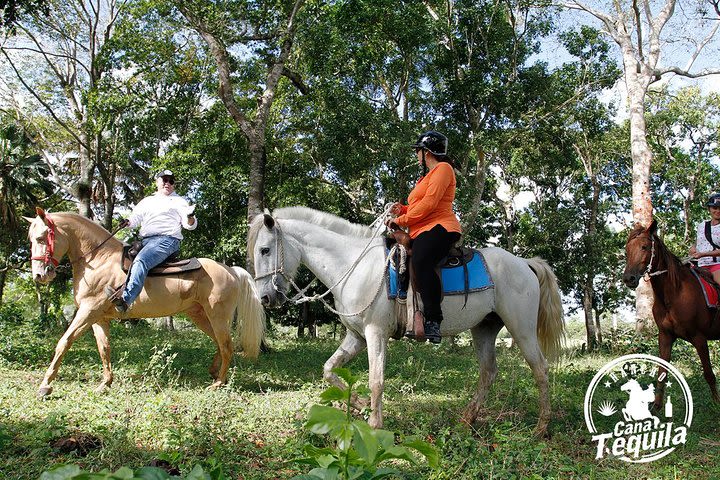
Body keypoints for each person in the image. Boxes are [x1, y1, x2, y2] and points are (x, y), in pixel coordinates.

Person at [386, 131, 462, 343]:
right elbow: (418, 205)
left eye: (418, 150)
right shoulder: (426, 177)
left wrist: (401, 221)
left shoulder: (443, 169)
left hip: (440, 227)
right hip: (422, 229)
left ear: (426, 152)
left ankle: (433, 321)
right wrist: (401, 209)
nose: (416, 155)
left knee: (421, 259)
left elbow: (429, 205)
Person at [107, 169, 197, 312]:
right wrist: (127, 221)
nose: (168, 183)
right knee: (120, 258)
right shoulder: (147, 201)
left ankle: (126, 300)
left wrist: (191, 218)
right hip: (145, 241)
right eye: (164, 180)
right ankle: (137, 309)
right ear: (157, 182)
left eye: (171, 181)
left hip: (167, 240)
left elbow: (189, 225)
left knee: (141, 260)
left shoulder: (179, 201)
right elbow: (135, 218)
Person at [690, 193, 720, 285]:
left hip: (716, 265)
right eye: (715, 208)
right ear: (709, 209)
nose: (718, 211)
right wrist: (693, 247)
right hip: (699, 265)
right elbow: (699, 240)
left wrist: (703, 254)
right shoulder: (702, 225)